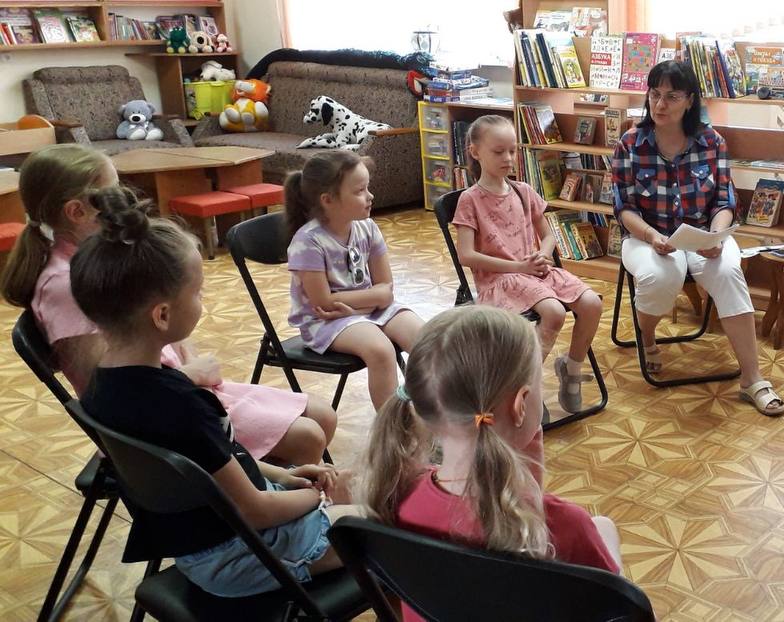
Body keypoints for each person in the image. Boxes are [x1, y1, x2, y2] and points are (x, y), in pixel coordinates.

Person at [70, 188, 362, 597]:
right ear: (162, 315)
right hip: (246, 555)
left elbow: (218, 463)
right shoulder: (184, 405)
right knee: (382, 521)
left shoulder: (99, 389)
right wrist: (320, 496)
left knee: (359, 493)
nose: (202, 300)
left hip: (203, 548)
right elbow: (255, 511)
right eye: (197, 292)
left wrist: (285, 475)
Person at [0, 144, 335, 466]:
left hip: (178, 389)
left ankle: (262, 485)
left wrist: (189, 371)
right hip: (156, 419)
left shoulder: (96, 257)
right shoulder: (64, 286)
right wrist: (189, 376)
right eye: (114, 194)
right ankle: (253, 494)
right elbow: (109, 394)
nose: (125, 203)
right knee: (308, 437)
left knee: (323, 416)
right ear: (76, 211)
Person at [364, 305, 621, 622]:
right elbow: (615, 608)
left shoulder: (396, 492)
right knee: (604, 528)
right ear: (521, 404)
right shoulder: (562, 525)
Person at [612, 60, 784, 417]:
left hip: (702, 235)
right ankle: (647, 338)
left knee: (728, 273)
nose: (660, 104)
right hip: (646, 235)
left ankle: (752, 379)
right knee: (661, 275)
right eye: (655, 94)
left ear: (690, 100)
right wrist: (652, 236)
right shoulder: (630, 143)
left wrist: (716, 236)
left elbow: (725, 201)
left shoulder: (711, 141)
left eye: (672, 96)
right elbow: (623, 208)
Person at [454, 115, 604, 412]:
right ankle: (525, 386)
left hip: (535, 272)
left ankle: (571, 370)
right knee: (554, 312)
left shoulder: (523, 191)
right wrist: (519, 267)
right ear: (475, 152)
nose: (508, 158)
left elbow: (548, 236)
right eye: (499, 152)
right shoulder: (470, 200)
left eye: (512, 151)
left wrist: (543, 255)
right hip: (501, 279)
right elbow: (466, 256)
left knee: (592, 304)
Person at [284, 150, 424, 411]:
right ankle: (393, 428)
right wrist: (374, 298)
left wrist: (365, 303)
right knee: (380, 350)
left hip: (363, 310)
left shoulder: (368, 228)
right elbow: (324, 303)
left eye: (367, 188)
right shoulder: (308, 242)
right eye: (360, 191)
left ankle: (436, 414)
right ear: (328, 200)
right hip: (325, 322)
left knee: (427, 340)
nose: (370, 196)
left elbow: (386, 290)